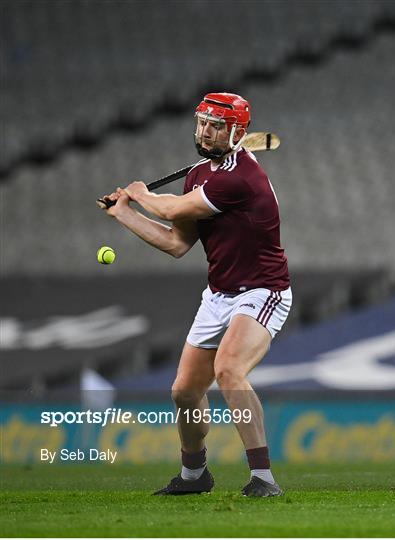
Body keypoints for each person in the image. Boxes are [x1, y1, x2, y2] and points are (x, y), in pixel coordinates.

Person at [103, 92, 292, 497]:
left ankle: (263, 478)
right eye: (201, 122)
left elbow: (171, 210)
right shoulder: (199, 175)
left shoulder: (241, 177)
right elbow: (175, 242)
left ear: (237, 132)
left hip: (262, 290)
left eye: (215, 125)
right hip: (219, 295)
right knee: (185, 391)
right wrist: (125, 213)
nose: (205, 131)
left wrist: (139, 193)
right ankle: (195, 475)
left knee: (229, 370)